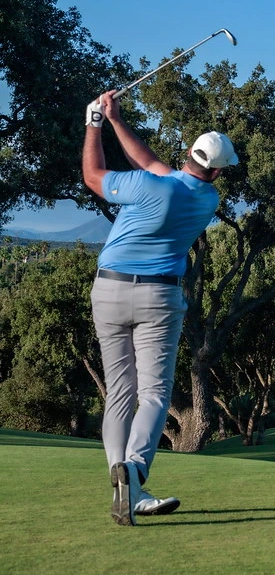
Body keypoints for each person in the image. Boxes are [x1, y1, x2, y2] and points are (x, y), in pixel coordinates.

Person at [82, 90, 238, 525]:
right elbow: (151, 163)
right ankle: (133, 474)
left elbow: (94, 176)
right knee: (153, 393)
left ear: (188, 153)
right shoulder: (207, 199)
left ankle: (126, 485)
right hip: (159, 298)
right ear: (217, 171)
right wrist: (115, 119)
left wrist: (93, 124)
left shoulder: (148, 185)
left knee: (120, 391)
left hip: (109, 290)